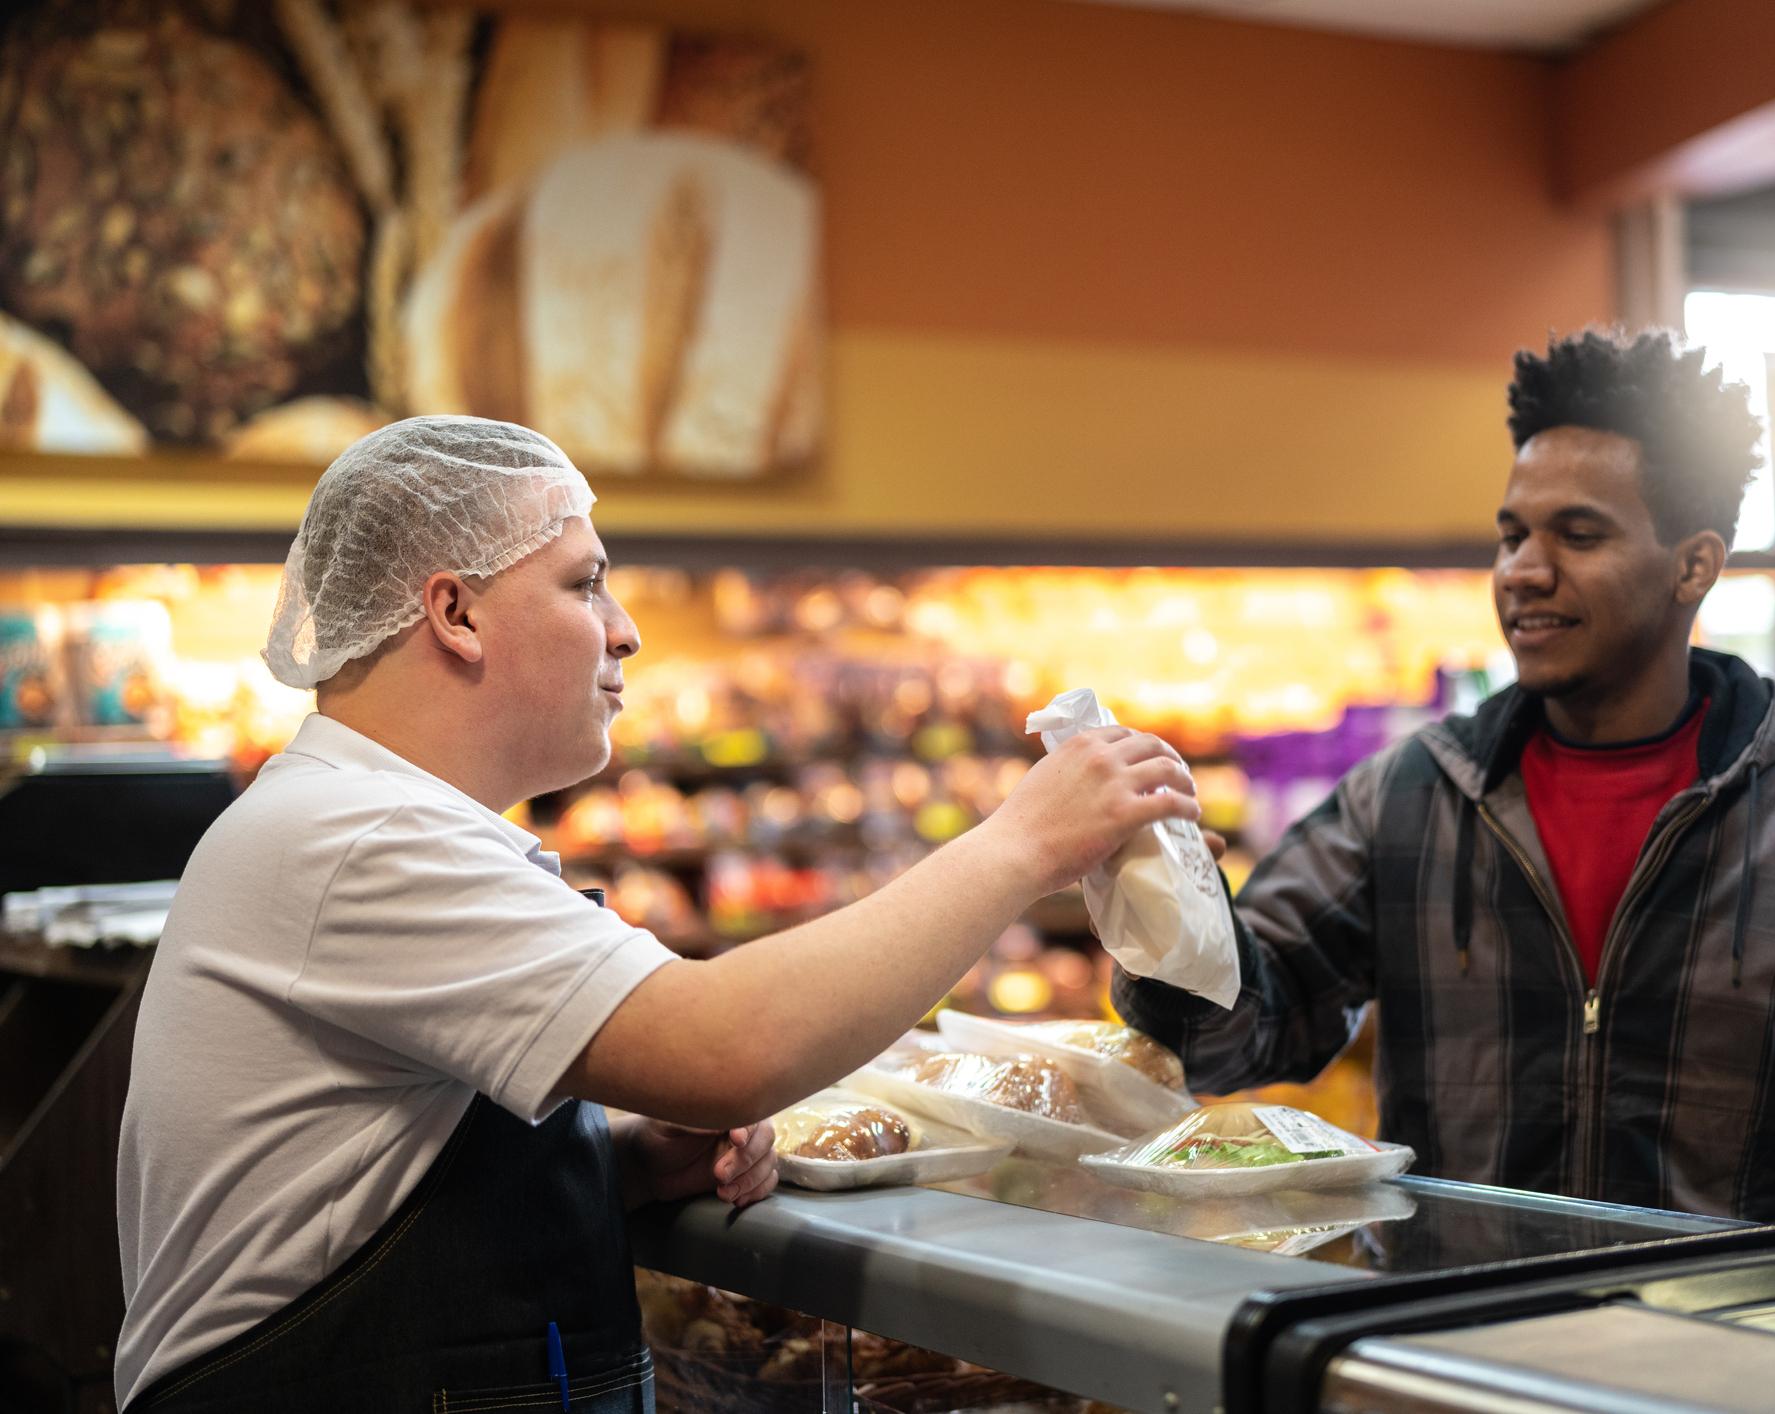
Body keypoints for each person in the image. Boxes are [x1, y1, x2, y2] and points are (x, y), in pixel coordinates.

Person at [115, 416, 1202, 1412]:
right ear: (454, 612)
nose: (624, 631)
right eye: (585, 584)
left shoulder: (364, 821)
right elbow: (731, 1044)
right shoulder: (358, 838)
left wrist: (616, 1160)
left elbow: (364, 1173)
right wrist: (1020, 845)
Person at [1115, 327, 1775, 1275]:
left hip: (1734, 1369)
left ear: (1693, 566)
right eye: (1512, 534)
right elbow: (1233, 1038)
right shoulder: (1412, 797)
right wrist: (1166, 891)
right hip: (1456, 1354)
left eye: (1578, 535)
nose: (1523, 570)